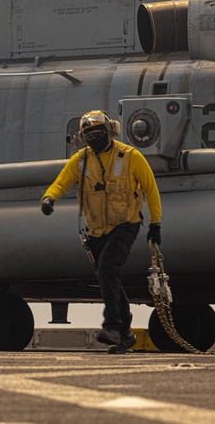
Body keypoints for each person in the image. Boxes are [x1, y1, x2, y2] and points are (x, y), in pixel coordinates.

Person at [40, 110, 162, 350]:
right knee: (109, 277)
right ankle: (125, 333)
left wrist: (155, 223)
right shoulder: (81, 160)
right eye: (89, 135)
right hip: (96, 231)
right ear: (83, 138)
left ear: (110, 132)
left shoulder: (130, 156)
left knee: (107, 269)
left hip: (125, 225)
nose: (95, 138)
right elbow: (63, 181)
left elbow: (151, 188)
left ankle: (113, 327)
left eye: (99, 133)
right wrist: (49, 198)